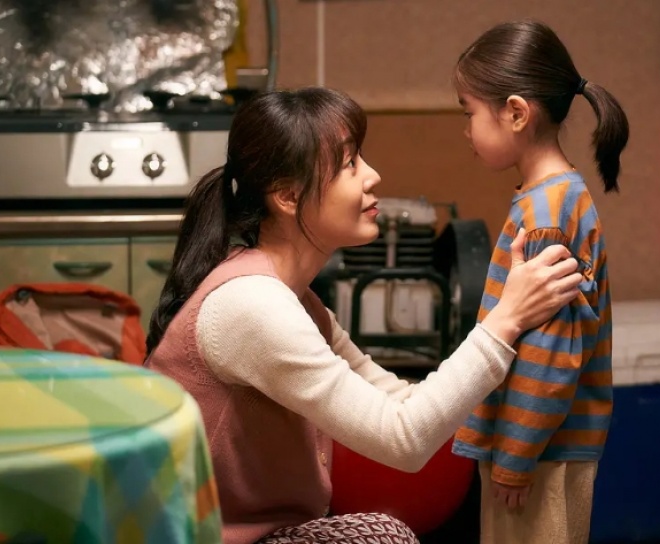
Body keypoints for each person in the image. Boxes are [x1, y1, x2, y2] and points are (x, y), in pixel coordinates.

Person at [143, 86, 586, 544]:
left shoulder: (298, 303)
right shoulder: (252, 307)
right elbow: (403, 436)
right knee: (386, 537)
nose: (373, 176)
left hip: (264, 531)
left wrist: (507, 413)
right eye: (349, 164)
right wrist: (505, 321)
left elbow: (398, 399)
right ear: (288, 196)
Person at [449, 20, 630, 544]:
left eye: (468, 113)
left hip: (539, 458)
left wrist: (514, 457)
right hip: (539, 450)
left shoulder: (547, 215)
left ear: (515, 113)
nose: (465, 130)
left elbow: (550, 353)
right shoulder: (553, 199)